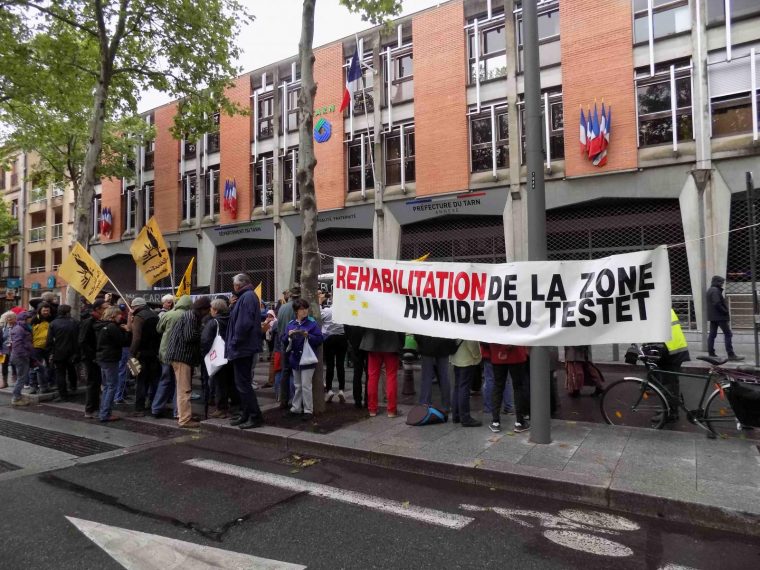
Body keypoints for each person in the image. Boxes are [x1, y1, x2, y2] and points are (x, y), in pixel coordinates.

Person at [226, 273, 265, 429]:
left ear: (239, 285)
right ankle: (247, 414)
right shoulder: (245, 297)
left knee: (243, 384)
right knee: (241, 384)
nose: (233, 287)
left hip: (242, 347)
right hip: (242, 346)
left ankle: (254, 416)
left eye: (234, 285)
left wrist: (235, 342)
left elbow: (243, 323)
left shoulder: (247, 297)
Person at [166, 296, 211, 428]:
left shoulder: (189, 315)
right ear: (203, 309)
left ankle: (184, 415)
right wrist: (203, 331)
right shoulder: (191, 316)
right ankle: (185, 419)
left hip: (179, 356)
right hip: (181, 356)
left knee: (182, 388)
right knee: (184, 389)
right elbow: (189, 336)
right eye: (207, 310)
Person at [282, 298, 324, 420]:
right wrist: (288, 335)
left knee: (306, 386)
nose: (304, 311)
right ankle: (296, 408)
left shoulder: (312, 323)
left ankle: (308, 410)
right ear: (296, 311)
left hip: (307, 358)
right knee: (297, 385)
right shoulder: (291, 324)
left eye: (305, 308)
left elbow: (320, 339)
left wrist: (308, 336)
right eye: (301, 309)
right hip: (295, 358)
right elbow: (283, 340)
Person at [152, 295, 192, 418]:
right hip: (181, 354)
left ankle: (156, 408)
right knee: (179, 384)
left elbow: (158, 329)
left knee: (164, 380)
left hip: (165, 352)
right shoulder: (189, 316)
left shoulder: (169, 315)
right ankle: (178, 411)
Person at [201, 298, 238, 418]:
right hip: (231, 355)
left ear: (216, 310)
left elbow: (205, 340)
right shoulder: (232, 319)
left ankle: (221, 409)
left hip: (218, 357)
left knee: (219, 383)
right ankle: (236, 406)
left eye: (211, 309)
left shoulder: (213, 322)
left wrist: (205, 354)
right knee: (231, 381)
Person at [96, 306, 131, 422]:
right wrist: (127, 331)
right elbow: (123, 342)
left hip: (103, 358)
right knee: (111, 386)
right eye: (118, 315)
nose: (120, 316)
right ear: (113, 315)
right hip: (111, 358)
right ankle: (105, 414)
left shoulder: (102, 326)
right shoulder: (112, 327)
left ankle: (104, 411)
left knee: (107, 386)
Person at [127, 297, 161, 416]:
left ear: (136, 307)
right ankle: (154, 404)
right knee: (154, 380)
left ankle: (139, 408)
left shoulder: (139, 317)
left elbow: (136, 337)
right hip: (154, 353)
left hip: (141, 353)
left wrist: (132, 352)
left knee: (141, 381)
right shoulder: (154, 315)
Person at [360, 328, 404, 418]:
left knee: (372, 376)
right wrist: (400, 342)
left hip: (373, 342)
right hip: (391, 341)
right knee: (391, 376)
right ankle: (391, 410)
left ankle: (372, 409)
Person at [489, 344, 530, 433]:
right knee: (518, 387)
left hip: (497, 353)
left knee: (498, 387)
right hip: (516, 354)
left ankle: (495, 421)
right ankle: (519, 421)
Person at [80, 299, 109, 418]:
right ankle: (90, 409)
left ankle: (95, 407)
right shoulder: (89, 322)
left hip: (97, 356)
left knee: (97, 382)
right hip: (91, 358)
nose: (107, 310)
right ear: (98, 309)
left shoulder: (100, 321)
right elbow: (82, 341)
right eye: (105, 308)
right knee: (92, 383)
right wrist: (92, 356)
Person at [414, 334, 455, 414]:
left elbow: (417, 330)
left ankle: (424, 404)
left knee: (426, 377)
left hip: (426, 345)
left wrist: (420, 342)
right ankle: (446, 405)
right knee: (444, 377)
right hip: (443, 345)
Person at [706, 275, 744, 361]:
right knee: (728, 334)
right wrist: (725, 311)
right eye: (721, 282)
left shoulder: (710, 290)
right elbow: (716, 303)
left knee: (712, 335)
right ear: (717, 282)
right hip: (720, 316)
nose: (722, 284)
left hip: (713, 317)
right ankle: (731, 354)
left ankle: (711, 353)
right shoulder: (715, 291)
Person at [47, 304, 80, 400]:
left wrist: (50, 352)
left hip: (59, 352)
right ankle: (73, 387)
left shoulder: (53, 323)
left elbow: (49, 341)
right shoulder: (75, 322)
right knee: (71, 369)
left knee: (60, 373)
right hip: (73, 352)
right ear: (67, 312)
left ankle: (63, 394)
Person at [319, 291, 347, 403]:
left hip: (329, 339)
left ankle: (329, 390)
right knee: (340, 365)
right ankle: (341, 390)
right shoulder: (344, 311)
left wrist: (320, 301)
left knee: (330, 365)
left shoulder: (327, 311)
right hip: (342, 338)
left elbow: (318, 316)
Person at [276, 284, 301, 408]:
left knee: (285, 372)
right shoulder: (300, 308)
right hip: (297, 343)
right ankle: (297, 400)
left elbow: (279, 326)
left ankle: (284, 400)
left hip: (284, 342)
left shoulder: (282, 308)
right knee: (298, 372)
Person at [450, 340, 482, 427]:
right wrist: (477, 355)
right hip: (467, 357)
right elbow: (471, 342)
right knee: (464, 387)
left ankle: (456, 415)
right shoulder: (468, 325)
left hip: (456, 356)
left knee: (457, 386)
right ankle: (465, 417)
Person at [9, 311, 33, 406]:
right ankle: (16, 398)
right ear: (25, 319)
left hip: (20, 355)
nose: (31, 319)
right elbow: (18, 345)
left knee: (21, 377)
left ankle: (17, 395)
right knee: (22, 378)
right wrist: (24, 355)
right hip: (20, 357)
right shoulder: (20, 329)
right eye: (29, 318)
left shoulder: (22, 327)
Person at [29, 303, 53, 394]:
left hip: (47, 347)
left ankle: (44, 386)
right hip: (36, 347)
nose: (46, 312)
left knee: (47, 367)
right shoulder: (34, 320)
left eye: (48, 310)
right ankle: (34, 386)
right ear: (40, 310)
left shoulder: (51, 319)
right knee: (35, 368)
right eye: (44, 310)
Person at [344, 324, 367, 408]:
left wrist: (350, 342)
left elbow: (346, 331)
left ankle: (357, 400)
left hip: (355, 345)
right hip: (366, 345)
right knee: (369, 374)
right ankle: (368, 400)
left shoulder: (351, 315)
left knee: (357, 373)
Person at [0, 311, 17, 389]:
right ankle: (5, 382)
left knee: (14, 364)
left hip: (14, 350)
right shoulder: (3, 328)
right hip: (3, 350)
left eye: (11, 317)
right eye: (7, 318)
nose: (9, 319)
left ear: (15, 319)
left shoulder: (17, 327)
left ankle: (15, 380)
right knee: (3, 366)